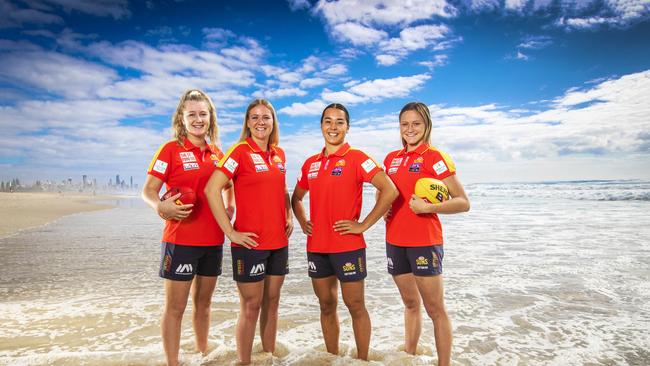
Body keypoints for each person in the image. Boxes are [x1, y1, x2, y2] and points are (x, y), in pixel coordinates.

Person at [291, 103, 398, 360]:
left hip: (348, 247)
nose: (333, 127)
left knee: (356, 306)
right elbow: (295, 198)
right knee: (326, 306)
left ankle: (363, 360)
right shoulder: (310, 163)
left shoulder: (358, 158)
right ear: (321, 125)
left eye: (339, 122)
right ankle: (332, 358)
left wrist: (363, 225)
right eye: (328, 121)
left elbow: (390, 190)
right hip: (317, 247)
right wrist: (303, 220)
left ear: (347, 127)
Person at [142, 89, 234, 366]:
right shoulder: (170, 150)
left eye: (202, 114)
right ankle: (173, 362)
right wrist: (161, 206)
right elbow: (148, 190)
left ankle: (202, 355)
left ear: (210, 118)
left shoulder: (218, 153)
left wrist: (230, 208)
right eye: (191, 114)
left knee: (204, 304)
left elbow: (229, 186)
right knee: (175, 307)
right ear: (182, 118)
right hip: (180, 240)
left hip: (213, 241)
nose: (198, 119)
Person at [204, 99, 293, 365]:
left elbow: (282, 189)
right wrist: (230, 232)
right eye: (254, 117)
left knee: (272, 302)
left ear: (273, 122)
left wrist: (288, 214)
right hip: (250, 243)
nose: (260, 122)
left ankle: (268, 357)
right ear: (247, 122)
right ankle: (245, 362)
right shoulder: (239, 152)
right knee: (251, 306)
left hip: (278, 241)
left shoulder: (279, 154)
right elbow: (212, 189)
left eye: (265, 117)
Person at [382, 102, 470, 366]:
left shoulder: (436, 158)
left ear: (426, 125)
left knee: (435, 310)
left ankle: (445, 363)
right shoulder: (391, 159)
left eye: (416, 123)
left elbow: (463, 202)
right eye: (405, 124)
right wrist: (385, 207)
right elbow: (387, 192)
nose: (410, 129)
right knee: (410, 304)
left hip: (424, 242)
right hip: (395, 242)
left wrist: (428, 207)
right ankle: (408, 356)